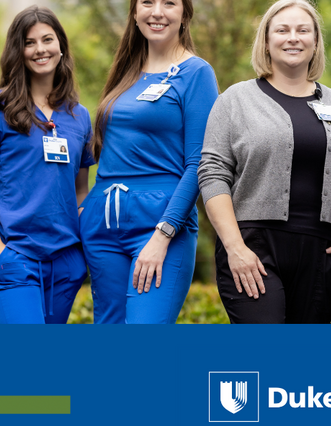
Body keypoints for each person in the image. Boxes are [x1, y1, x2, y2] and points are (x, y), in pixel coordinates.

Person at [198, 0, 331, 324]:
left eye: (303, 30)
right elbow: (212, 175)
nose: (293, 37)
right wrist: (234, 248)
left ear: (316, 41)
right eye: (282, 30)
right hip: (253, 247)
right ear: (266, 41)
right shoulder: (235, 100)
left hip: (321, 253)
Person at [80, 0, 218, 324]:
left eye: (169, 3)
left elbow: (199, 163)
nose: (157, 12)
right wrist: (86, 209)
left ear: (184, 13)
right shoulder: (125, 72)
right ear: (134, 11)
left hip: (161, 222)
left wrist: (164, 233)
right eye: (147, 2)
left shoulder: (197, 73)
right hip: (104, 223)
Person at [0, 6, 94, 324]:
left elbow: (80, 190)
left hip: (67, 261)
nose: (40, 49)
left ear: (61, 46)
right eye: (29, 42)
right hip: (14, 255)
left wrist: (83, 253)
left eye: (47, 39)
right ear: (18, 51)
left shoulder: (80, 116)